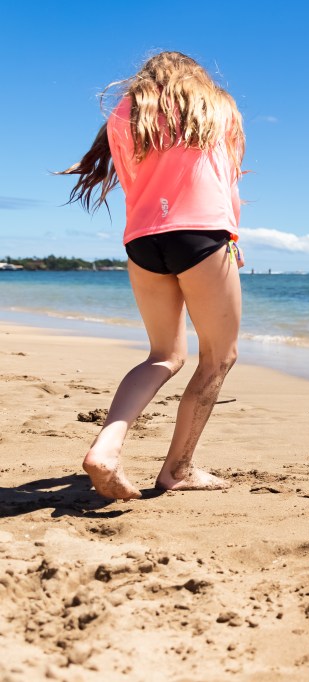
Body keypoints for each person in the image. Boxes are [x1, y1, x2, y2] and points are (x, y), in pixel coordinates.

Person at [58, 51, 246, 501]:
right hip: (201, 233)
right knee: (218, 357)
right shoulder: (216, 105)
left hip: (142, 241)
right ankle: (178, 469)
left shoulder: (126, 113)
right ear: (195, 76)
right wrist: (233, 239)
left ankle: (107, 446)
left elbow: (130, 180)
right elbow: (228, 181)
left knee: (163, 354)